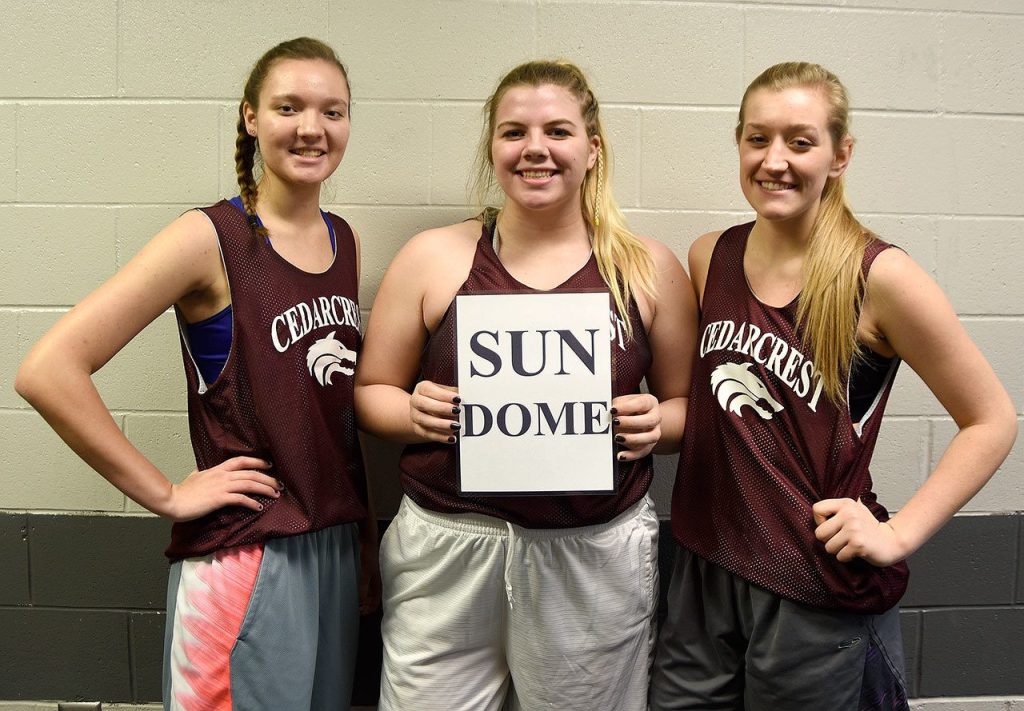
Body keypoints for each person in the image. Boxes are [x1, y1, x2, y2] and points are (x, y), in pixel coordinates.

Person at [15, 37, 378, 710]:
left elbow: (332, 422)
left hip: (332, 551)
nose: (311, 128)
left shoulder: (344, 239)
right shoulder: (208, 238)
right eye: (288, 107)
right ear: (249, 118)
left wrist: (361, 541)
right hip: (249, 556)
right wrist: (166, 493)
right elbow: (48, 370)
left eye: (333, 111)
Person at [650, 61, 1018, 711]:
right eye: (757, 138)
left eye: (800, 140)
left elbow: (992, 419)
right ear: (737, 143)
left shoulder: (882, 276)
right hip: (703, 572)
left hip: (810, 587)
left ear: (840, 154)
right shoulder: (711, 256)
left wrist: (898, 533)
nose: (774, 160)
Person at [354, 59, 698, 710]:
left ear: (593, 149)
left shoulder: (647, 267)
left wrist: (659, 422)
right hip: (450, 545)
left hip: (592, 551)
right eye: (514, 131)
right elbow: (373, 392)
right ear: (493, 148)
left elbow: (688, 407)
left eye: (557, 131)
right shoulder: (435, 256)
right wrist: (412, 412)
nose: (535, 148)